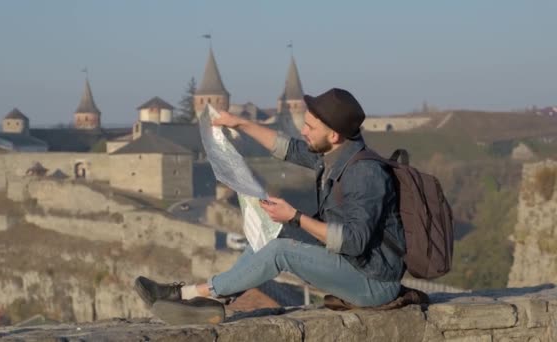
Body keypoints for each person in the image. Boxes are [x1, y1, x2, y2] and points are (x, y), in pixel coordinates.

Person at [134, 88, 406, 324]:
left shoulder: (364, 174)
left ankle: (190, 295)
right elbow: (287, 148)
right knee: (271, 230)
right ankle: (212, 300)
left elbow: (354, 241)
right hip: (354, 265)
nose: (304, 131)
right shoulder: (335, 155)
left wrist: (296, 217)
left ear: (333, 135)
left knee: (279, 251)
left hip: (373, 282)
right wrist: (240, 123)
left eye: (310, 127)